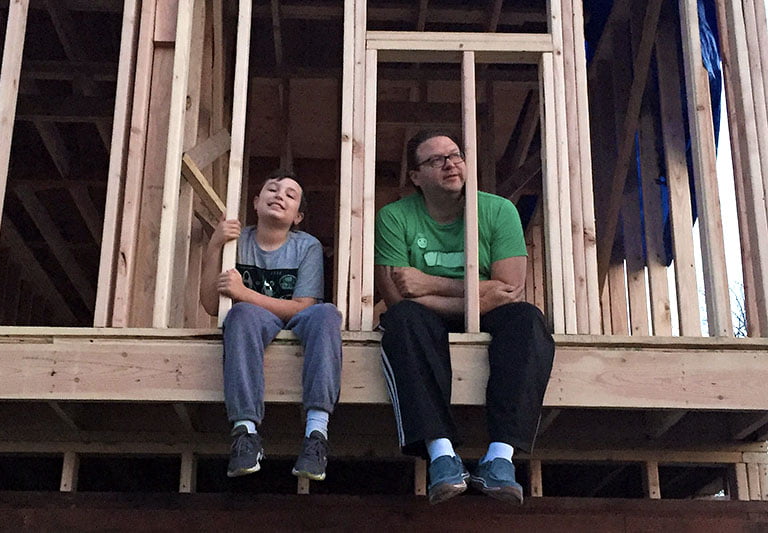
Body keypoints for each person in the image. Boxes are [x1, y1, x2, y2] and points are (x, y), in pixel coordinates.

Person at [374, 130, 554, 505]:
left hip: (479, 315)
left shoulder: (497, 210)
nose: (450, 164)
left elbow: (510, 290)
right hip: (423, 320)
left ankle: (499, 460)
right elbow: (396, 297)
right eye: (435, 160)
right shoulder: (394, 217)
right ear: (416, 177)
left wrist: (428, 285)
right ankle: (442, 455)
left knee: (528, 320)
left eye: (455, 155)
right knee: (403, 321)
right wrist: (478, 292)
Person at [201, 169, 342, 482]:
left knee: (327, 314)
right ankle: (245, 433)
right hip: (255, 321)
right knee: (239, 315)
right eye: (272, 189)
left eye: (290, 195)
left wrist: (244, 293)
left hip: (297, 318)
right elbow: (212, 305)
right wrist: (214, 245)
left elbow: (302, 308)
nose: (280, 195)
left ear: (298, 217)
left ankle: (316, 434)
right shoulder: (238, 242)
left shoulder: (307, 247)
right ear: (255, 202)